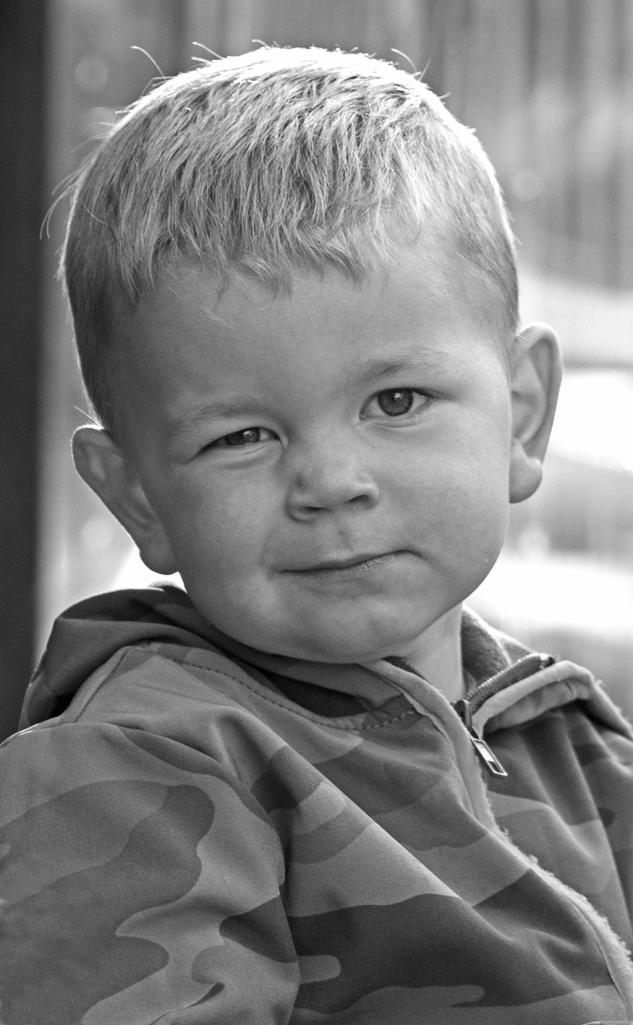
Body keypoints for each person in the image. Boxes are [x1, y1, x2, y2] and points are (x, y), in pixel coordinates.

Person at [1, 45, 632, 1025]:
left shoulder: (569, 736)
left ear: (522, 415)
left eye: (397, 400)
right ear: (137, 499)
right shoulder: (133, 770)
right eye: (240, 436)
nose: (332, 482)